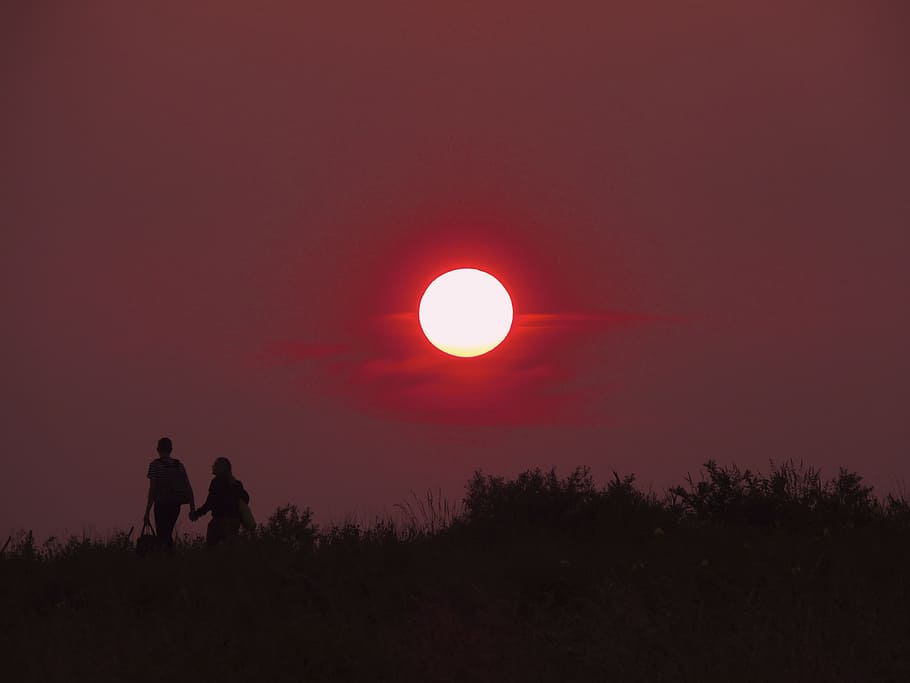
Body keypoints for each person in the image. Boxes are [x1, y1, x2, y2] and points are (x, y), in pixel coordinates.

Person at [143, 437, 195, 551]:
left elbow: (152, 490)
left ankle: (165, 557)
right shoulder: (179, 465)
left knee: (162, 534)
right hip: (175, 505)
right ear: (171, 449)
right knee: (168, 532)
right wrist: (192, 508)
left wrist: (147, 512)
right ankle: (169, 557)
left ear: (158, 449)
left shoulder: (154, 465)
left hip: (161, 504)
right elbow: (188, 488)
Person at [190, 457, 250, 545]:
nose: (212, 467)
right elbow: (246, 498)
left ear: (221, 468)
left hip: (219, 521)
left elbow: (209, 503)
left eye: (215, 465)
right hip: (234, 522)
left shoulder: (216, 482)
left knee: (212, 550)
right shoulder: (237, 484)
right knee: (231, 551)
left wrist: (197, 514)